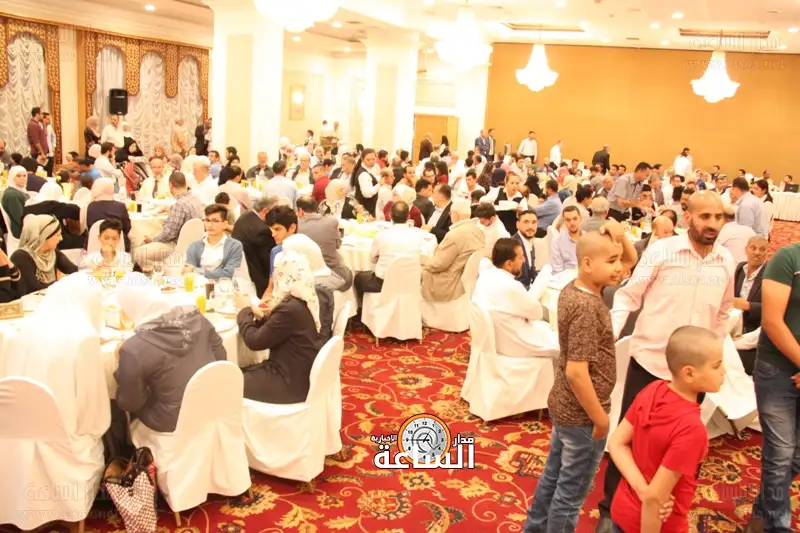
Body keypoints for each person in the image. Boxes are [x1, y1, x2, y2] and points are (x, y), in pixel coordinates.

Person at [594, 191, 735, 533]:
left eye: (718, 217)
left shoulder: (726, 261)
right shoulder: (662, 251)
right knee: (629, 441)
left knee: (680, 448)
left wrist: (712, 352)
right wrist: (607, 337)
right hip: (651, 363)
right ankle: (611, 511)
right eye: (705, 217)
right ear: (688, 217)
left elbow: (724, 311)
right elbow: (628, 296)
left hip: (693, 375)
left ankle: (666, 509)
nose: (712, 224)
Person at [523, 223, 637, 533]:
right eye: (611, 261)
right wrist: (600, 419)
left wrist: (619, 237)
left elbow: (630, 261)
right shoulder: (586, 306)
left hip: (565, 406)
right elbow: (576, 371)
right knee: (570, 495)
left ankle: (534, 528)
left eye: (617, 260)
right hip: (582, 414)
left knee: (552, 477)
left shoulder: (574, 288)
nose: (619, 267)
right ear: (587, 263)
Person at [609, 326, 724, 533]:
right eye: (717, 366)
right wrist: (647, 494)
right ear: (689, 373)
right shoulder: (691, 429)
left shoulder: (652, 389)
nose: (724, 372)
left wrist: (642, 490)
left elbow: (616, 443)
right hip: (656, 525)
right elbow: (655, 499)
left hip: (623, 510)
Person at [115, 272, 226, 432]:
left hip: (172, 422)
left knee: (123, 409)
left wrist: (122, 363)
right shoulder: (198, 319)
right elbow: (221, 360)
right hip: (213, 405)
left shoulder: (133, 348)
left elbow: (130, 402)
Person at [4, 273, 109, 438]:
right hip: (65, 442)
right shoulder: (84, 339)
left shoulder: (23, 329)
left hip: (14, 435)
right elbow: (93, 419)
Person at [744, 242, 800, 533]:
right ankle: (776, 526)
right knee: (780, 454)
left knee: (796, 456)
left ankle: (761, 511)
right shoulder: (788, 258)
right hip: (776, 369)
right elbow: (772, 321)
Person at [238, 251, 325, 403]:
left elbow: (254, 342)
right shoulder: (304, 300)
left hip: (288, 381)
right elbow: (277, 329)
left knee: (228, 383)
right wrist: (262, 316)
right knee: (236, 373)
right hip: (299, 374)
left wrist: (245, 310)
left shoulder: (289, 308)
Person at [472, 238, 559, 359]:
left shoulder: (484, 277)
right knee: (563, 342)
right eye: (520, 257)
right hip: (516, 343)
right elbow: (537, 314)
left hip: (497, 341)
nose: (524, 260)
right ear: (509, 264)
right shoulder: (511, 286)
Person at [134, 172, 204, 271]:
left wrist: (153, 239)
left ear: (170, 185)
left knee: (139, 252)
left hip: (177, 246)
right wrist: (170, 211)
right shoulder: (196, 199)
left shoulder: (179, 205)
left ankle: (158, 273)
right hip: (195, 243)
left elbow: (169, 234)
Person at [421, 199, 484, 302]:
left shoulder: (454, 235)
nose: (449, 215)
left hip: (449, 283)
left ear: (455, 215)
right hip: (467, 280)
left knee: (416, 268)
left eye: (450, 213)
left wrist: (423, 260)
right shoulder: (478, 230)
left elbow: (438, 265)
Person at [354, 201, 422, 296]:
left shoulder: (381, 235)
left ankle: (364, 305)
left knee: (359, 278)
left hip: (383, 282)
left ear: (390, 215)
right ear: (408, 216)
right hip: (410, 281)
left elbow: (372, 259)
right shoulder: (418, 236)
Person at [10, 214, 78, 296]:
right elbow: (33, 289)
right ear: (44, 236)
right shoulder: (21, 257)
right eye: (57, 235)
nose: (61, 238)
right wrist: (62, 283)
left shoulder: (52, 253)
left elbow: (75, 271)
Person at [297, 195, 353, 290]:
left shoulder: (296, 227)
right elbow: (337, 245)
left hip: (307, 273)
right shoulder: (331, 221)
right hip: (334, 272)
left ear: (300, 211)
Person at [732, 236, 767, 376]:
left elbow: (775, 308)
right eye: (753, 248)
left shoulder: (770, 274)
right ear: (746, 249)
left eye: (762, 249)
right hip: (734, 323)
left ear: (767, 252)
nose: (757, 253)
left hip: (754, 330)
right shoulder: (740, 268)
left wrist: (749, 306)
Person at [232, 195, 278, 297]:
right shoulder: (263, 230)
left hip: (238, 272)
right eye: (275, 211)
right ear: (266, 211)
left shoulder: (245, 216)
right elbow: (269, 263)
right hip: (256, 279)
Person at [183, 204, 244, 280]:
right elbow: (188, 272)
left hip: (223, 285)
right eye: (207, 220)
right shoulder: (194, 246)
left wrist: (197, 271)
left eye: (215, 221)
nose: (210, 225)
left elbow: (229, 273)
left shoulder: (234, 246)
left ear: (225, 224)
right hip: (198, 285)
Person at [85, 178, 132, 252]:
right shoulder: (121, 206)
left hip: (93, 245)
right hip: (118, 245)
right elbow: (127, 228)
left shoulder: (89, 206)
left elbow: (88, 227)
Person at [550, 206, 584, 274]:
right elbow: (557, 270)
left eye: (575, 219)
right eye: (568, 220)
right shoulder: (557, 241)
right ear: (564, 221)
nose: (572, 223)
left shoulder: (588, 239)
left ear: (580, 218)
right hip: (566, 278)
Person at [511, 210, 538, 290]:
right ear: (517, 224)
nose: (530, 226)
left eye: (534, 222)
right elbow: (514, 281)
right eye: (526, 222)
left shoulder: (529, 241)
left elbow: (531, 271)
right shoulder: (512, 246)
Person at [1, 166, 30, 240]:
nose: (22, 178)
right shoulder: (12, 195)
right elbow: (20, 218)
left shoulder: (20, 191)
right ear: (12, 177)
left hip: (25, 227)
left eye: (24, 176)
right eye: (18, 176)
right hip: (20, 232)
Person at [350, 148, 380, 216]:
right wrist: (380, 184)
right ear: (362, 159)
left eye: (373, 159)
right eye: (368, 160)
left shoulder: (368, 170)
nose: (371, 162)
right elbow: (367, 194)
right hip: (366, 209)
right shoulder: (364, 174)